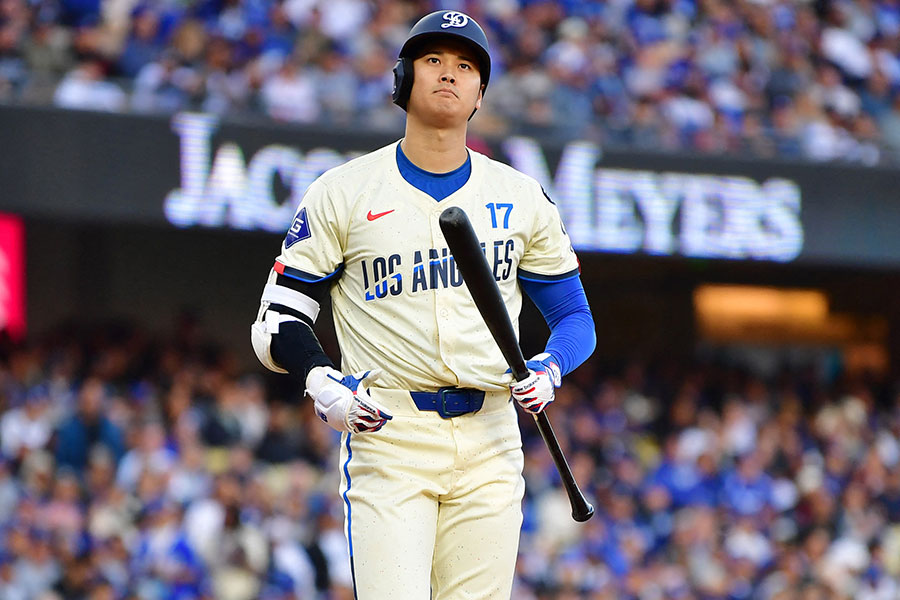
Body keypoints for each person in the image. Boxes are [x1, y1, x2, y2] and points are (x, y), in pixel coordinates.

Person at [250, 10, 595, 599]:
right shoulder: (343, 191)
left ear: (481, 92)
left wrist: (550, 365)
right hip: (390, 432)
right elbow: (279, 318)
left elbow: (574, 318)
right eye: (433, 60)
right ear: (403, 78)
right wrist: (319, 379)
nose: (448, 74)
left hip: (491, 435)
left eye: (465, 66)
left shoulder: (521, 195)